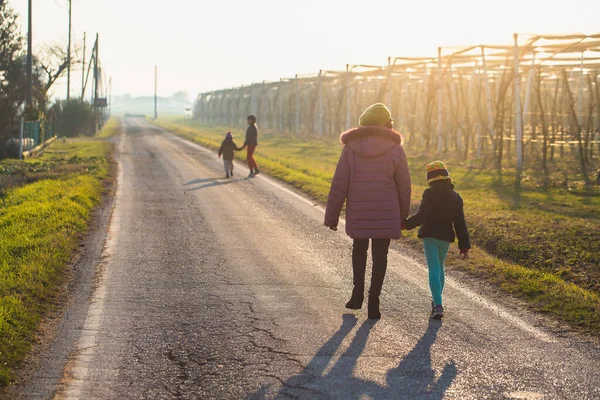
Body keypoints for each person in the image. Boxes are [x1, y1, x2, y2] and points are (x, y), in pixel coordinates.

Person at [324, 103, 411, 320]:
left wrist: (332, 215)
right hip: (387, 210)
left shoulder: (351, 147)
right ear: (386, 124)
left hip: (359, 210)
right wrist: (402, 215)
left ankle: (357, 295)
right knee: (380, 257)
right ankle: (374, 301)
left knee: (359, 251)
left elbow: (339, 183)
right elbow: (404, 185)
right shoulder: (395, 148)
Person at [403, 161, 470, 319]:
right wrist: (464, 245)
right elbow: (460, 222)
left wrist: (406, 224)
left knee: (433, 268)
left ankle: (438, 305)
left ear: (430, 178)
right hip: (445, 237)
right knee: (439, 268)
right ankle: (436, 301)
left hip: (430, 235)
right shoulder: (456, 197)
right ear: (447, 176)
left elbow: (422, 215)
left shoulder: (429, 193)